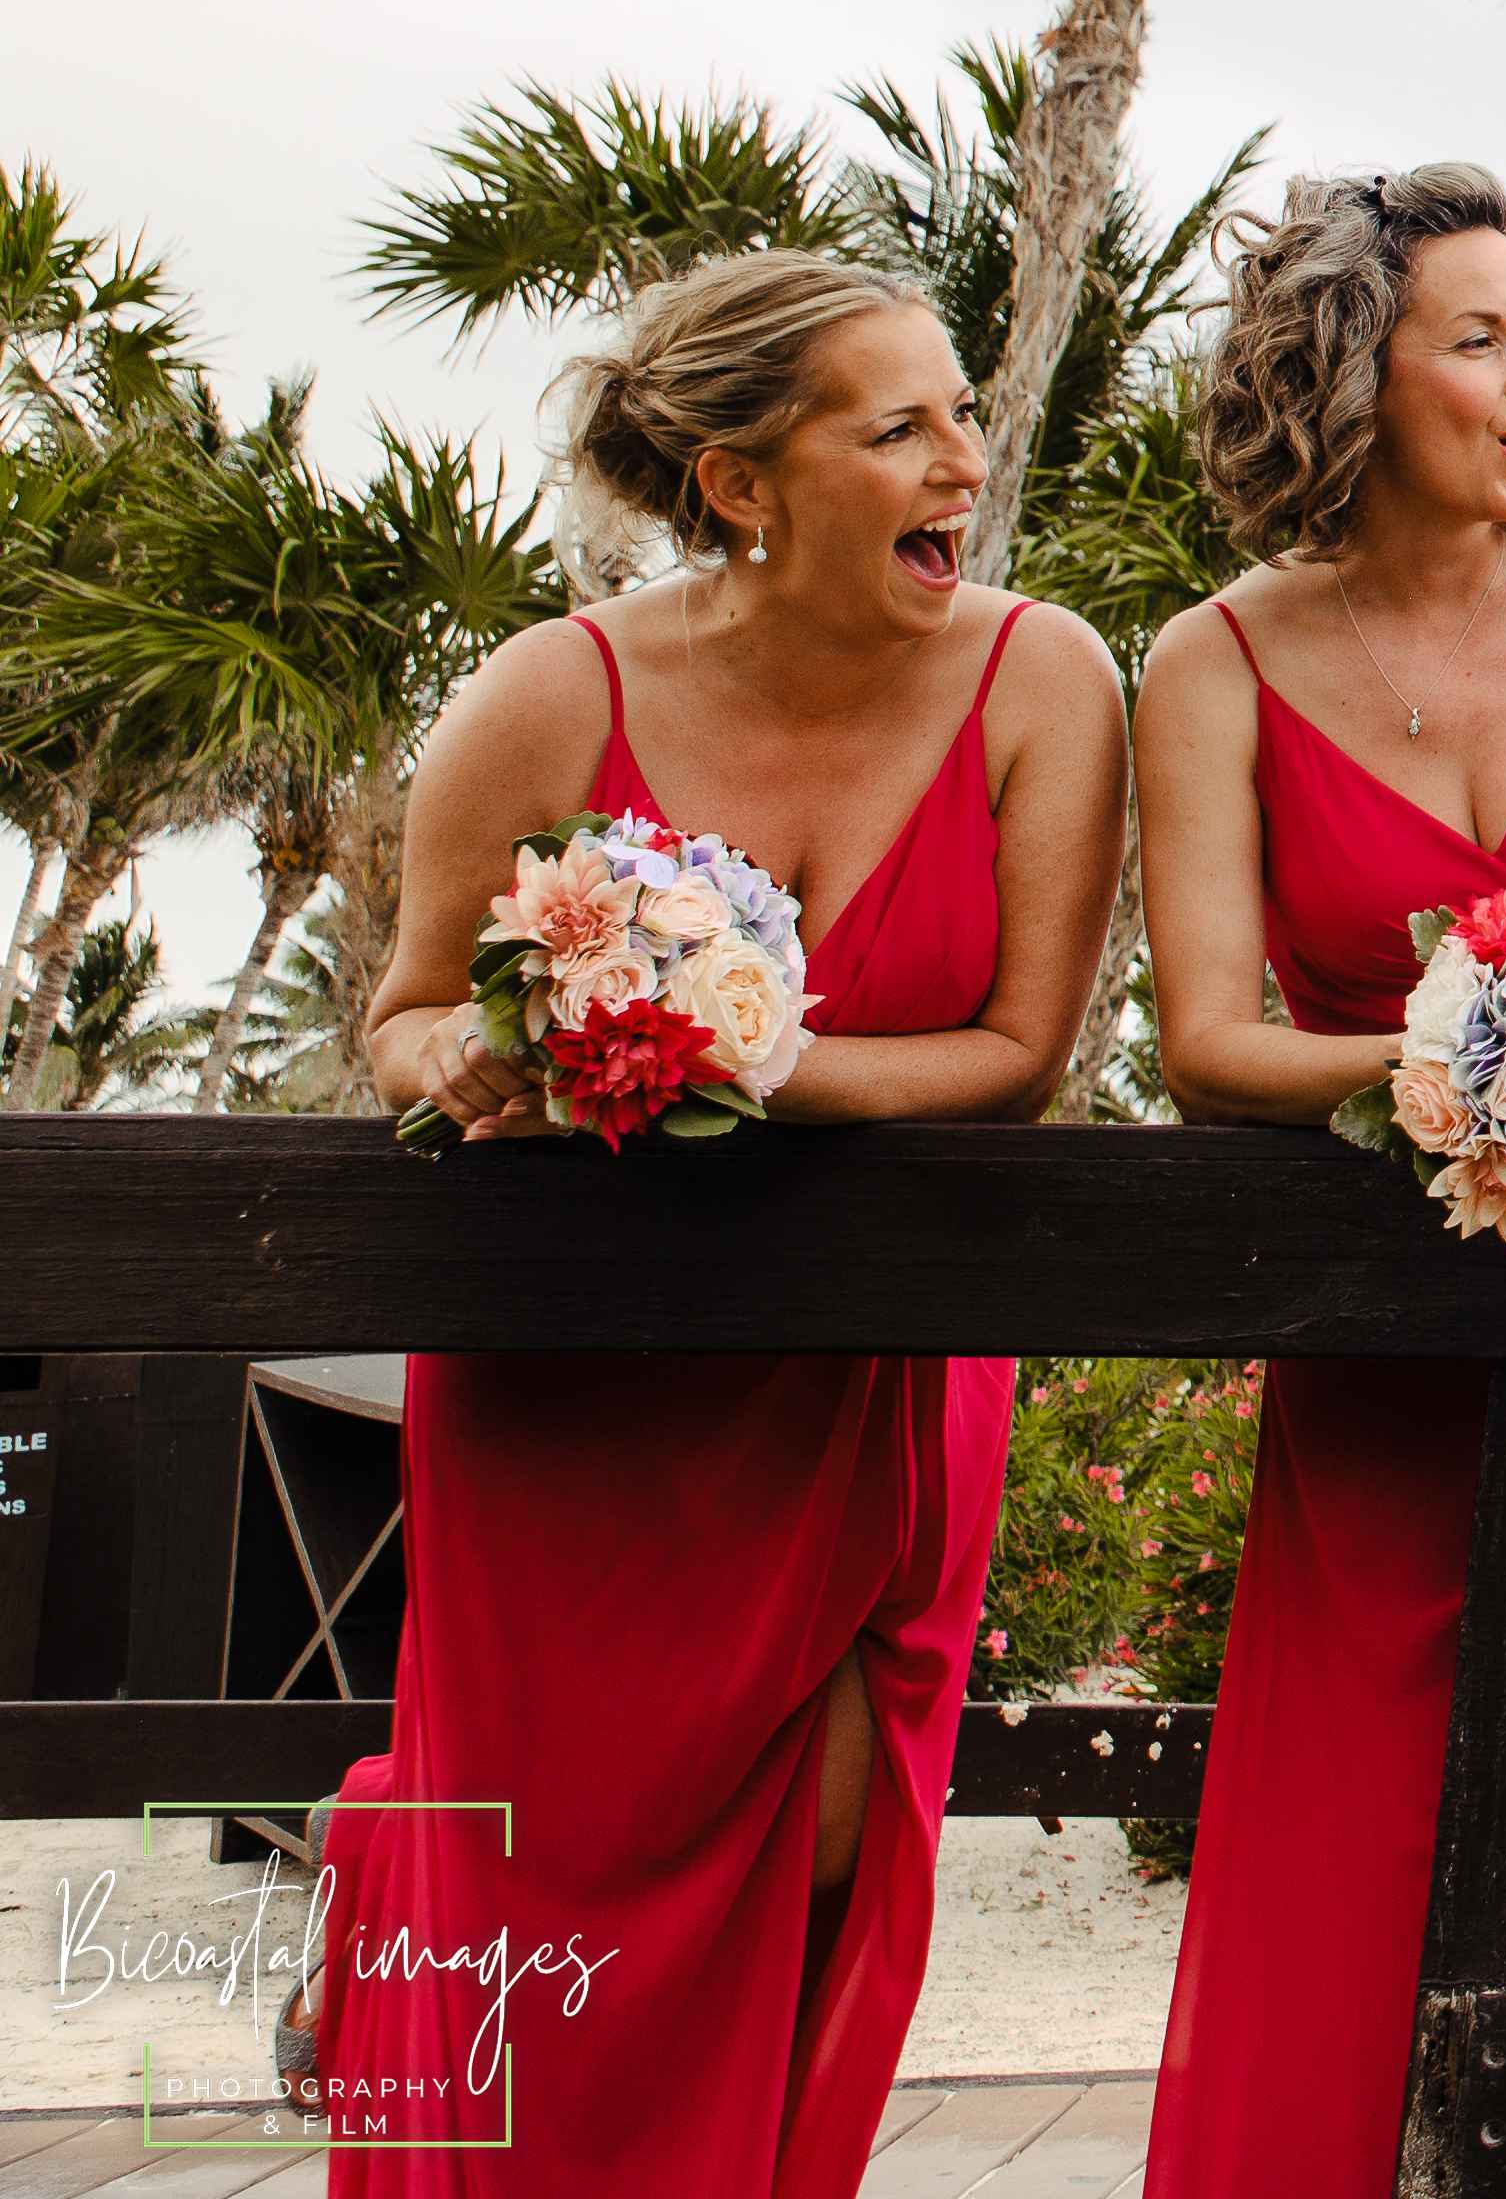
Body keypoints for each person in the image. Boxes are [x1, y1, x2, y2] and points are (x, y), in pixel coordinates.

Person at [318, 251, 1124, 2192]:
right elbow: (408, 1012)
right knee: (541, 1907)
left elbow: (1020, 1049)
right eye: (901, 423)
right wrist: (505, 1058)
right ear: (745, 480)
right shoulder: (550, 692)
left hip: (870, 1404)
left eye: (961, 408)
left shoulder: (1048, 678)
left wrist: (712, 1053)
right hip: (572, 1427)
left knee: (821, 1888)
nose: (965, 452)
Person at [1135, 169, 1506, 2199]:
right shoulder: (1210, 662)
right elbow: (1209, 1036)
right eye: (1478, 337)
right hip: (1385, 1360)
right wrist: (1479, 1082)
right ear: (1349, 374)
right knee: (1362, 1837)